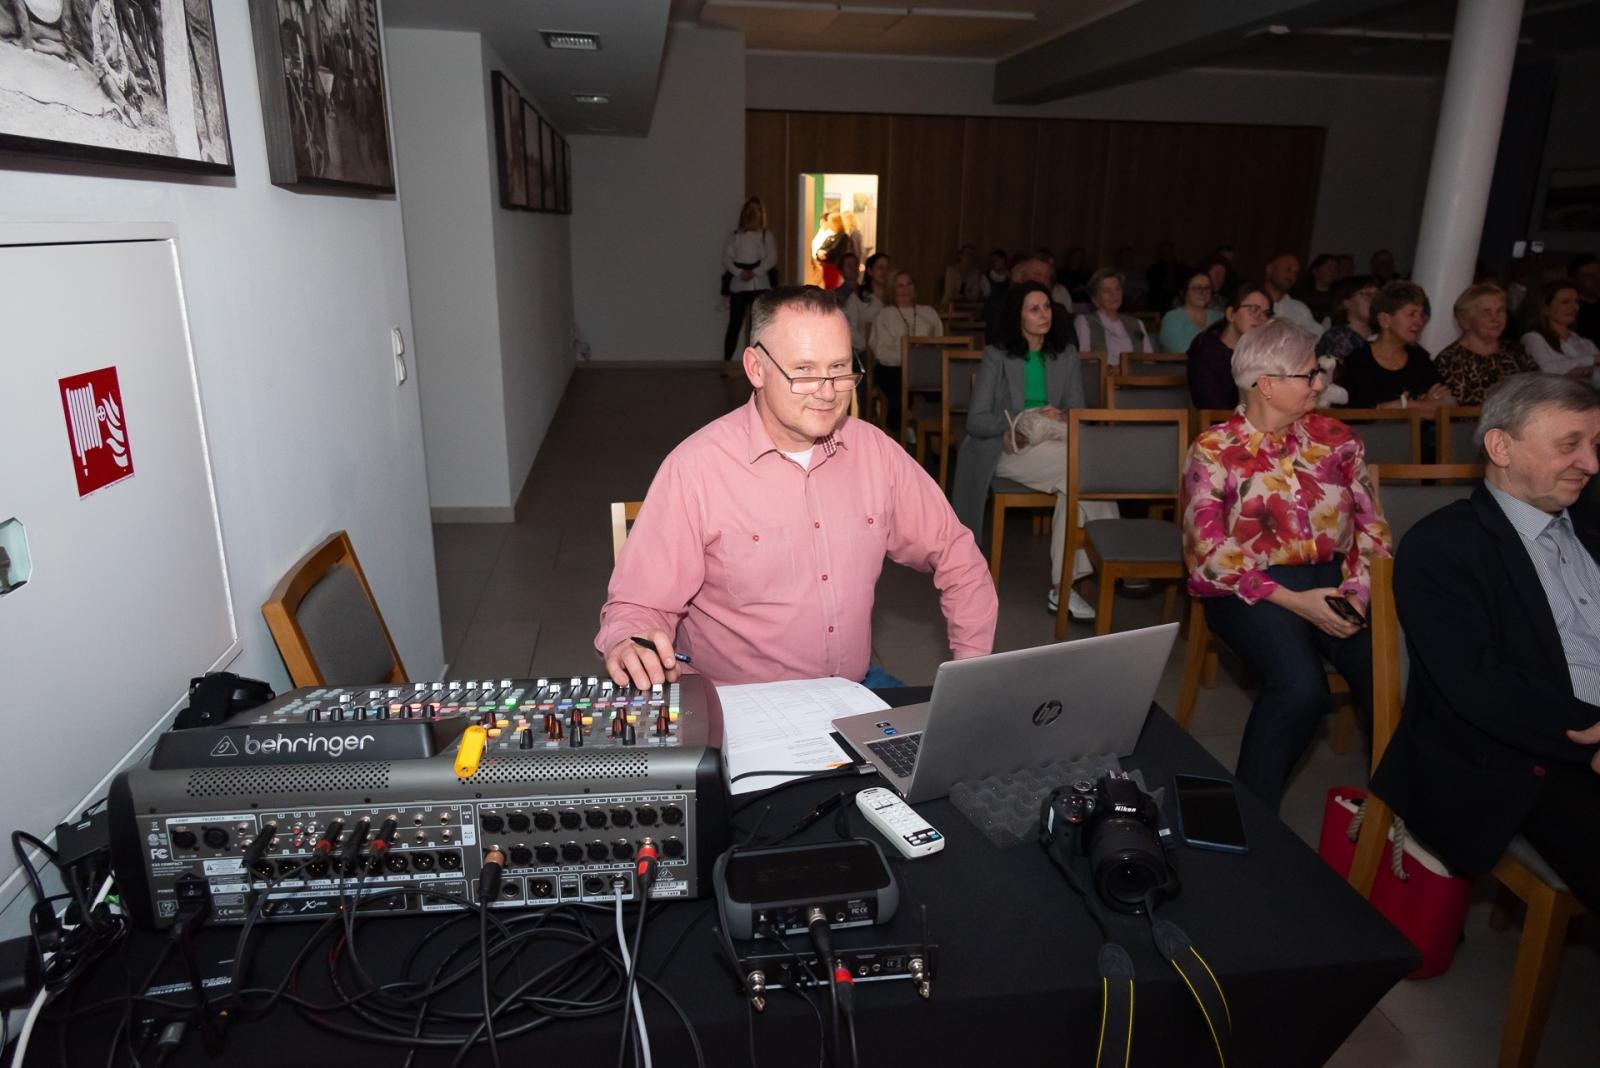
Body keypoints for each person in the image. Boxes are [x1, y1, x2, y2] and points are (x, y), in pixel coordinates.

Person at [597, 286, 997, 689]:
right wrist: (632, 642)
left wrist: (969, 676)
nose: (827, 392)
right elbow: (638, 606)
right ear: (756, 368)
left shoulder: (875, 453)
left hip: (851, 689)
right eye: (804, 372)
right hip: (739, 706)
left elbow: (957, 554)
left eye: (840, 369)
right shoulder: (695, 471)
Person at [1369, 374, 1600, 911]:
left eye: (1594, 445)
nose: (1590, 464)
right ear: (1501, 446)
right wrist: (1590, 732)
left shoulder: (1589, 527)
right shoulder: (1444, 546)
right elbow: (1479, 686)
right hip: (1523, 758)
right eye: (1570, 445)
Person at [1182, 319, 1391, 810]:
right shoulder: (1214, 450)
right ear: (1267, 385)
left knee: (1389, 675)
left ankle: (1399, 816)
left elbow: (1373, 529)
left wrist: (1359, 593)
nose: (1320, 383)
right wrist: (1297, 602)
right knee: (1300, 690)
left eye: (1318, 372)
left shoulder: (1339, 441)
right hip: (1246, 588)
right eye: (1308, 374)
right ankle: (1252, 814)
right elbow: (1207, 557)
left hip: (1334, 580)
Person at [951, 282, 1108, 621]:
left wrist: (1060, 416)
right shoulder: (997, 354)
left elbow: (1079, 413)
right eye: (1034, 309)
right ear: (1018, 316)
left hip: (1057, 441)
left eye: (1047, 307)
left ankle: (1062, 587)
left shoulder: (1065, 354)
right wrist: (1023, 419)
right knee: (1085, 471)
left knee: (1079, 478)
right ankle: (1103, 560)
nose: (1043, 314)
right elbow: (976, 422)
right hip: (1008, 445)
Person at [1342, 280, 1453, 414]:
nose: (1419, 322)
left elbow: (1448, 405)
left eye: (1421, 315)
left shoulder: (1419, 358)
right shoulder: (1359, 361)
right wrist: (1423, 404)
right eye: (1412, 314)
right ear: (1385, 320)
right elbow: (1366, 416)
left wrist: (1399, 406)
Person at [1432, 283, 1537, 405]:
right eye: (1486, 313)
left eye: (1500, 311)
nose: (1495, 319)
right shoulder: (1448, 360)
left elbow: (1537, 392)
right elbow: (1446, 413)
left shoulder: (1517, 352)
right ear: (1465, 320)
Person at [871, 271, 943, 438]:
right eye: (900, 286)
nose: (905, 289)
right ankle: (897, 435)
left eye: (909, 284)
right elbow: (881, 350)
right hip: (893, 368)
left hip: (926, 369)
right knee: (898, 394)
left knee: (941, 389)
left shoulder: (928, 312)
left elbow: (939, 343)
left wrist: (922, 354)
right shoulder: (885, 315)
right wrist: (909, 353)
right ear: (893, 290)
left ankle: (935, 437)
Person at [1186, 283, 1272, 410]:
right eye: (1254, 309)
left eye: (1266, 313)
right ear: (1231, 314)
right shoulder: (1205, 353)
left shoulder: (1267, 353)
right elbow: (1212, 408)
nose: (1261, 318)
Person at [722, 198, 778, 369]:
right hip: (739, 284)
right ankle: (727, 363)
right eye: (750, 211)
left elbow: (772, 258)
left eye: (756, 210)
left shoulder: (766, 235)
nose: (753, 214)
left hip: (759, 284)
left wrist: (755, 272)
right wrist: (740, 273)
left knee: (759, 326)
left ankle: (759, 365)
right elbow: (726, 258)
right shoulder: (735, 236)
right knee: (735, 323)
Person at [1521, 279, 1600, 388]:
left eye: (1576, 301)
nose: (1574, 307)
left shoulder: (1586, 343)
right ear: (1546, 308)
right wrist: (1590, 360)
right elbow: (1546, 370)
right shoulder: (1533, 338)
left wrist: (1589, 372)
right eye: (1565, 302)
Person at [1074, 269, 1151, 369]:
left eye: (1118, 289)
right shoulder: (1085, 322)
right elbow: (1084, 361)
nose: (1114, 295)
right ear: (1095, 299)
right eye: (1107, 291)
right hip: (1101, 381)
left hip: (1135, 381)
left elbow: (1149, 361)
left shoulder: (1137, 323)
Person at [1314, 275, 1378, 363]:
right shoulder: (1336, 337)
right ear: (1345, 302)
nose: (1374, 300)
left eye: (1377, 295)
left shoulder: (1382, 333)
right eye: (1367, 294)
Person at [1159, 270, 1222, 354]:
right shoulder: (1172, 318)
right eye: (1197, 288)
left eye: (1207, 288)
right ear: (1184, 292)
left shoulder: (1219, 317)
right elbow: (1179, 351)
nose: (1203, 292)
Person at [844, 252, 889, 363]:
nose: (885, 272)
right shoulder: (858, 297)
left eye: (887, 268)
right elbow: (851, 329)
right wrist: (868, 347)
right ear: (869, 271)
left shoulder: (894, 299)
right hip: (865, 353)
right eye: (880, 268)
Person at [1263, 252, 1323, 336]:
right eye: (1288, 270)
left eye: (1295, 273)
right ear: (1270, 269)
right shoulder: (1252, 303)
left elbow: (1319, 336)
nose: (1291, 276)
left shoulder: (1299, 308)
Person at [1145, 241, 1188, 316]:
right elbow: (1155, 290)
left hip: (1181, 304)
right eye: (1164, 251)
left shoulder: (1183, 269)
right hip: (1160, 306)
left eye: (1169, 251)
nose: (1167, 254)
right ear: (1160, 254)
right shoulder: (1153, 270)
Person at [1296, 253, 1340, 325]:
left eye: (1336, 268)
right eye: (1329, 267)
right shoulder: (1301, 294)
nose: (1332, 271)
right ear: (1315, 270)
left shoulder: (1338, 296)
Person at [812, 213, 851, 290]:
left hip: (833, 267)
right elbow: (821, 248)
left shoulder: (843, 237)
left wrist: (825, 254)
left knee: (831, 288)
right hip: (825, 267)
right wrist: (819, 253)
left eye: (831, 222)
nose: (829, 224)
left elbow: (835, 250)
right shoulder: (831, 236)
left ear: (836, 223)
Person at [1571, 253, 1600, 344]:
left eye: (1599, 273)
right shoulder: (1570, 309)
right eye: (1589, 276)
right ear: (1575, 279)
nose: (1597, 279)